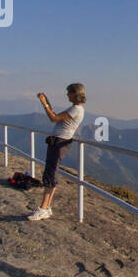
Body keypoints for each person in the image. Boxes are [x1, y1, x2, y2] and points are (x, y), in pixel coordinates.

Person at [27, 82, 88, 221]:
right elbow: (55, 116)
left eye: (69, 92)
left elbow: (53, 118)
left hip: (60, 142)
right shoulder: (77, 108)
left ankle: (43, 209)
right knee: (51, 172)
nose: (67, 95)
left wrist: (44, 103)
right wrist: (46, 101)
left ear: (75, 94)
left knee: (50, 173)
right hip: (60, 142)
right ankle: (46, 207)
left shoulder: (76, 109)